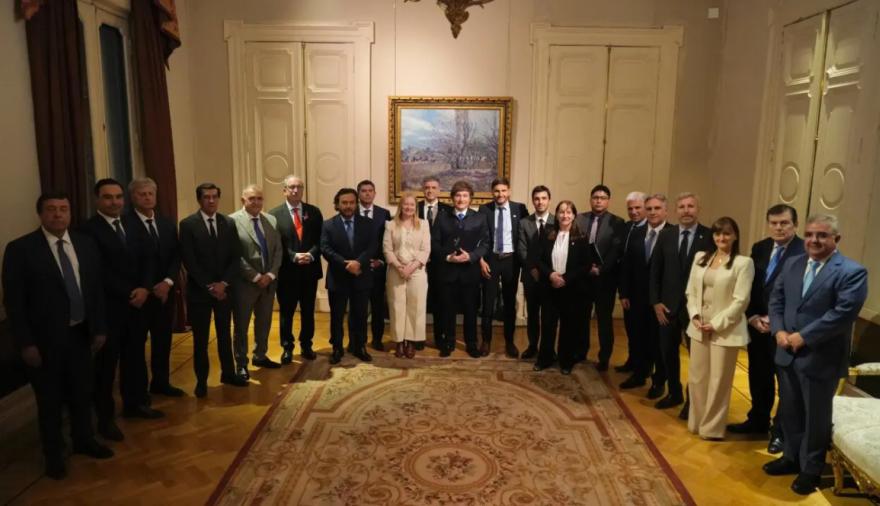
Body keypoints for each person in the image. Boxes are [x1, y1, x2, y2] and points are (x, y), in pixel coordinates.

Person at [3, 192, 113, 479]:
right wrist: (26, 343)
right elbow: (14, 303)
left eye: (63, 209)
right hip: (44, 341)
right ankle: (53, 454)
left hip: (81, 334)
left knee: (81, 392)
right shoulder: (20, 249)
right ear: (40, 214)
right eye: (51, 209)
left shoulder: (85, 243)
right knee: (50, 400)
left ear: (70, 213)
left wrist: (100, 328)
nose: (58, 214)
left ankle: (84, 439)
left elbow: (95, 290)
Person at [764, 214, 867, 495]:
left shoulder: (852, 271)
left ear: (836, 239)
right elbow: (777, 300)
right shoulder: (793, 264)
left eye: (822, 235)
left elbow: (843, 314)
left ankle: (811, 469)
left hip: (820, 358)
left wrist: (804, 336)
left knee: (815, 418)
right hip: (786, 352)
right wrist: (778, 330)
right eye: (809, 234)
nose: (813, 240)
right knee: (790, 410)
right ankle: (790, 457)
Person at [81, 178, 162, 443]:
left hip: (138, 305)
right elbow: (96, 271)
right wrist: (131, 292)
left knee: (135, 357)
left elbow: (149, 258)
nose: (114, 202)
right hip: (109, 309)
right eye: (108, 197)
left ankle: (135, 404)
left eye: (118, 197)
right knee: (106, 368)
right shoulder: (88, 230)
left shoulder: (131, 222)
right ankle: (105, 420)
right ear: (97, 199)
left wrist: (145, 288)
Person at [727, 204, 804, 454]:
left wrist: (776, 320)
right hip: (757, 326)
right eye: (774, 223)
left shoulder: (805, 251)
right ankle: (758, 420)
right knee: (759, 376)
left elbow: (802, 294)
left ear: (795, 225)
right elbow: (749, 286)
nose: (779, 228)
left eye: (784, 223)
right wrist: (751, 317)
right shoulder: (760, 247)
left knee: (786, 383)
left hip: (785, 330)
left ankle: (779, 432)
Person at [685, 217, 755, 440]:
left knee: (719, 381)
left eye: (726, 233)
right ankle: (696, 422)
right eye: (717, 233)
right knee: (697, 378)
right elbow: (690, 292)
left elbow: (741, 301)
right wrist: (695, 315)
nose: (721, 238)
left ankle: (712, 428)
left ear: (735, 236)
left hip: (725, 329)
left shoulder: (743, 263)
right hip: (698, 326)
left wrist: (715, 324)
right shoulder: (700, 257)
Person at [179, 183, 247, 398]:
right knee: (200, 340)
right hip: (200, 292)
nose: (211, 200)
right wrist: (210, 286)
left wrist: (223, 284)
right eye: (206, 197)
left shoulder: (228, 222)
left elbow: (236, 256)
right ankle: (201, 381)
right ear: (199, 199)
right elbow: (189, 260)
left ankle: (228, 373)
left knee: (224, 334)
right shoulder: (188, 224)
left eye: (214, 196)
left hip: (224, 291)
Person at [649, 192, 713, 413]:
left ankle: (692, 401)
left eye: (690, 206)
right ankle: (674, 393)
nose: (686, 210)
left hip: (696, 311)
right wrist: (655, 302)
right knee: (667, 353)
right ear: (676, 211)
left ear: (698, 209)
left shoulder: (709, 236)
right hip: (666, 308)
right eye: (682, 206)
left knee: (696, 358)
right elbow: (655, 270)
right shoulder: (666, 235)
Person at [127, 177, 184, 398]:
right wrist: (150, 287)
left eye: (151, 193)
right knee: (136, 347)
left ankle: (161, 383)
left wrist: (168, 282)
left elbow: (176, 256)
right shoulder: (125, 224)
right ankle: (138, 394)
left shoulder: (166, 223)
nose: (147, 197)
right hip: (138, 296)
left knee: (163, 341)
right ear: (133, 197)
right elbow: (130, 263)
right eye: (142, 194)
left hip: (165, 294)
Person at [619, 194, 673, 392]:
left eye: (657, 208)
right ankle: (639, 374)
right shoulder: (636, 233)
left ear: (665, 211)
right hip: (637, 297)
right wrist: (624, 293)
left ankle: (659, 382)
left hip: (662, 300)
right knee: (638, 337)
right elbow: (627, 265)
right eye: (649, 209)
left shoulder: (673, 234)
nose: (652, 212)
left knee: (658, 343)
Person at [431, 180, 489, 358]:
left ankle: (471, 343)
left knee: (471, 310)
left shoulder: (480, 217)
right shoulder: (442, 217)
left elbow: (486, 243)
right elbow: (434, 243)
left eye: (465, 195)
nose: (461, 199)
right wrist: (448, 257)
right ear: (452, 198)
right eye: (457, 195)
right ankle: (448, 342)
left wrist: (471, 256)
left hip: (470, 272)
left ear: (470, 198)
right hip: (447, 272)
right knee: (447, 309)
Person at [230, 185, 283, 378]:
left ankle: (260, 355)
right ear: (243, 200)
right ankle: (241, 364)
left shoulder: (271, 219)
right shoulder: (232, 221)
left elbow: (278, 250)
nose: (256, 202)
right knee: (241, 326)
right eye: (251, 198)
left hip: (268, 283)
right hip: (245, 284)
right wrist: (254, 276)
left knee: (264, 321)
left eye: (259, 198)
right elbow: (234, 254)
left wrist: (270, 275)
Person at [321, 187, 378, 364]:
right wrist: (346, 264)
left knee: (360, 315)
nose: (348, 206)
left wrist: (358, 263)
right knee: (337, 316)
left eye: (352, 202)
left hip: (361, 275)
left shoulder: (368, 224)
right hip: (338, 277)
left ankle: (359, 346)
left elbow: (372, 247)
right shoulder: (328, 225)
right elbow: (325, 249)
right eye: (344, 203)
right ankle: (337, 348)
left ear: (356, 204)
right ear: (337, 204)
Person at [269, 175, 323, 363]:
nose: (295, 190)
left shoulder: (314, 212)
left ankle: (306, 345)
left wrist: (311, 254)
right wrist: (293, 256)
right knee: (287, 312)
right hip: (287, 273)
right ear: (284, 190)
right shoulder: (274, 215)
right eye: (291, 187)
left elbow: (321, 239)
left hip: (310, 271)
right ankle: (287, 347)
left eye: (299, 187)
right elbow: (275, 245)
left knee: (308, 311)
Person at [535, 200, 592, 374]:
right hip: (550, 287)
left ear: (574, 215)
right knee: (547, 325)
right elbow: (539, 260)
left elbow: (585, 265)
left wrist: (565, 279)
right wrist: (551, 275)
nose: (564, 215)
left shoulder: (581, 237)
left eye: (568, 212)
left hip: (571, 289)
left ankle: (566, 361)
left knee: (568, 327)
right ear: (557, 214)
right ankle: (544, 359)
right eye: (561, 212)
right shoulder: (547, 234)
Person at [574, 184, 625, 371]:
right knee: (581, 318)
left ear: (608, 201)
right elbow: (575, 245)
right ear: (590, 199)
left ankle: (604, 358)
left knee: (604, 320)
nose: (598, 201)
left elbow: (616, 251)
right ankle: (581, 352)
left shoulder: (618, 222)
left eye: (602, 198)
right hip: (583, 278)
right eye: (595, 197)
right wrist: (585, 268)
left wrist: (601, 269)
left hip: (605, 280)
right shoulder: (579, 219)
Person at [479, 177, 529, 357]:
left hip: (511, 261)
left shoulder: (519, 209)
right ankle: (486, 341)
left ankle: (509, 341)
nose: (500, 194)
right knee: (487, 303)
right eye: (496, 191)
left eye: (503, 190)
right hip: (491, 260)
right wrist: (481, 260)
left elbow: (526, 234)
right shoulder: (484, 209)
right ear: (492, 192)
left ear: (509, 191)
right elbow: (479, 237)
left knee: (509, 303)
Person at [383, 193, 431, 358]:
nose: (408, 207)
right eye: (406, 204)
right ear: (400, 206)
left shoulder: (423, 225)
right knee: (397, 307)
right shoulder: (390, 224)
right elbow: (387, 249)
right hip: (396, 271)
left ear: (415, 207)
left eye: (412, 205)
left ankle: (411, 342)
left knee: (416, 307)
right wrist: (399, 267)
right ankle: (399, 342)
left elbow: (426, 249)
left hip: (417, 271)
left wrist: (411, 267)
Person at [516, 185, 554, 360]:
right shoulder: (524, 223)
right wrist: (532, 269)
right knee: (532, 314)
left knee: (549, 315)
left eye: (544, 198)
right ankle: (532, 346)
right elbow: (522, 249)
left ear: (549, 200)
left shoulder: (557, 221)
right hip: (531, 276)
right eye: (537, 199)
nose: (540, 202)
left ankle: (548, 348)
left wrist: (547, 272)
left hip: (550, 277)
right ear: (533, 201)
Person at [417, 176, 452, 351]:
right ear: (423, 189)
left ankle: (440, 338)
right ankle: (417, 338)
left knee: (440, 303)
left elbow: (451, 237)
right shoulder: (414, 208)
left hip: (441, 264)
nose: (430, 190)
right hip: (418, 264)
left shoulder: (449, 210)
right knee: (418, 302)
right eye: (427, 187)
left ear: (439, 190)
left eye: (433, 187)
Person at [357, 180, 392, 351]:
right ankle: (358, 340)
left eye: (370, 190)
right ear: (358, 194)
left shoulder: (384, 214)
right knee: (358, 308)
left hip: (378, 267)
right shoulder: (351, 211)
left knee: (378, 307)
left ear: (375, 193)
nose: (367, 193)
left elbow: (388, 241)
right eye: (364, 191)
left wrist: (382, 261)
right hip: (358, 268)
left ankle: (377, 339)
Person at [617, 191, 647, 373]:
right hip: (628, 290)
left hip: (644, 292)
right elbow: (624, 262)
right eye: (630, 208)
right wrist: (623, 292)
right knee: (630, 329)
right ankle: (632, 361)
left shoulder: (651, 230)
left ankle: (641, 369)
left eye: (638, 208)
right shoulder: (626, 227)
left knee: (643, 332)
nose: (634, 212)